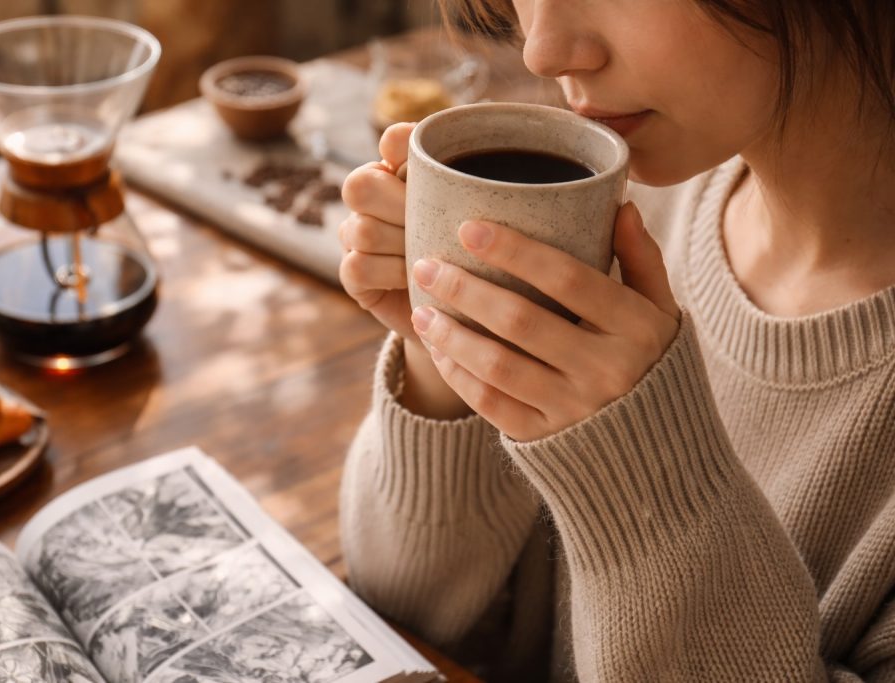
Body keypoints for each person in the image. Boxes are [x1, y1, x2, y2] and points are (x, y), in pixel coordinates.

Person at [336, 0, 895, 680]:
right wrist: (447, 352)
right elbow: (409, 614)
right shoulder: (619, 211)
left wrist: (648, 484)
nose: (541, 51)